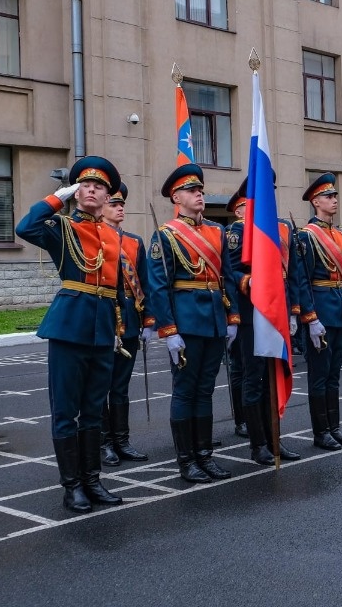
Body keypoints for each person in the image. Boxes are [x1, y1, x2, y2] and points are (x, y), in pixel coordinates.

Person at [16, 156, 126, 512]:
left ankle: (93, 480)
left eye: (99, 187)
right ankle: (72, 486)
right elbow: (25, 228)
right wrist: (54, 198)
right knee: (66, 410)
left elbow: (117, 287)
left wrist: (119, 328)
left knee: (94, 410)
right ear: (77, 192)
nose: (92, 189)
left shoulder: (112, 234)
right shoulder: (61, 226)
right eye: (86, 185)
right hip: (69, 327)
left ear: (108, 196)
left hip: (102, 329)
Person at [147, 163, 239, 483]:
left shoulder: (217, 231)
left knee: (205, 390)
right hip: (186, 323)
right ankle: (186, 460)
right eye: (191, 190)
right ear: (176, 197)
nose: (198, 194)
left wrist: (233, 318)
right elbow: (158, 286)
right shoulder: (166, 235)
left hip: (214, 320)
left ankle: (205, 455)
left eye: (200, 190)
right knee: (185, 391)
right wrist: (169, 331)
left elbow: (226, 277)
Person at [225, 180, 304, 466]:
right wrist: (248, 281)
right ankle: (258, 444)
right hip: (251, 312)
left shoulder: (283, 227)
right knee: (254, 378)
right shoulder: (238, 229)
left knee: (274, 374)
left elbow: (292, 272)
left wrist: (294, 311)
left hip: (278, 311)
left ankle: (275, 439)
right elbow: (230, 270)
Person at [294, 173, 342, 451]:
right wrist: (310, 318)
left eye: (335, 196)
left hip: (339, 308)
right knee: (319, 376)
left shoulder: (340, 235)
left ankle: (335, 427)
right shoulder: (307, 237)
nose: (334, 200)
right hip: (320, 310)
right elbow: (302, 280)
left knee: (334, 374)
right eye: (328, 197)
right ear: (315, 201)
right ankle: (321, 432)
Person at [99, 181, 150, 467]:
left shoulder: (133, 241)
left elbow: (144, 282)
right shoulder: (95, 236)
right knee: (101, 386)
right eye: (113, 204)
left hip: (129, 318)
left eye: (122, 205)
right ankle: (104, 442)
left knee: (120, 385)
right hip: (105, 316)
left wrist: (148, 321)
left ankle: (122, 440)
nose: (120, 208)